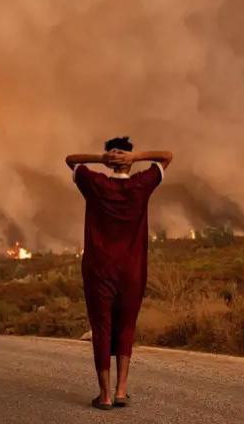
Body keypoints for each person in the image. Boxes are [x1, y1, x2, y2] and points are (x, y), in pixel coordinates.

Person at [65, 136, 173, 411]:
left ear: (111, 160)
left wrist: (100, 159)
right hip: (132, 270)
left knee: (101, 328)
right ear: (127, 158)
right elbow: (167, 156)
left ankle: (105, 396)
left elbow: (70, 160)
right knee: (126, 326)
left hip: (99, 269)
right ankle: (121, 390)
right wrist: (136, 158)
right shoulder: (141, 185)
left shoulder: (96, 184)